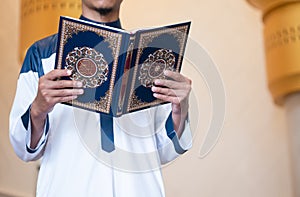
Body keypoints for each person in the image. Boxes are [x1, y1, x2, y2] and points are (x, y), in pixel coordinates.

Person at [9, 0, 193, 196]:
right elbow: (23, 148)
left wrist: (180, 109)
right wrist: (37, 109)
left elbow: (166, 150)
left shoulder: (150, 56)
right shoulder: (42, 55)